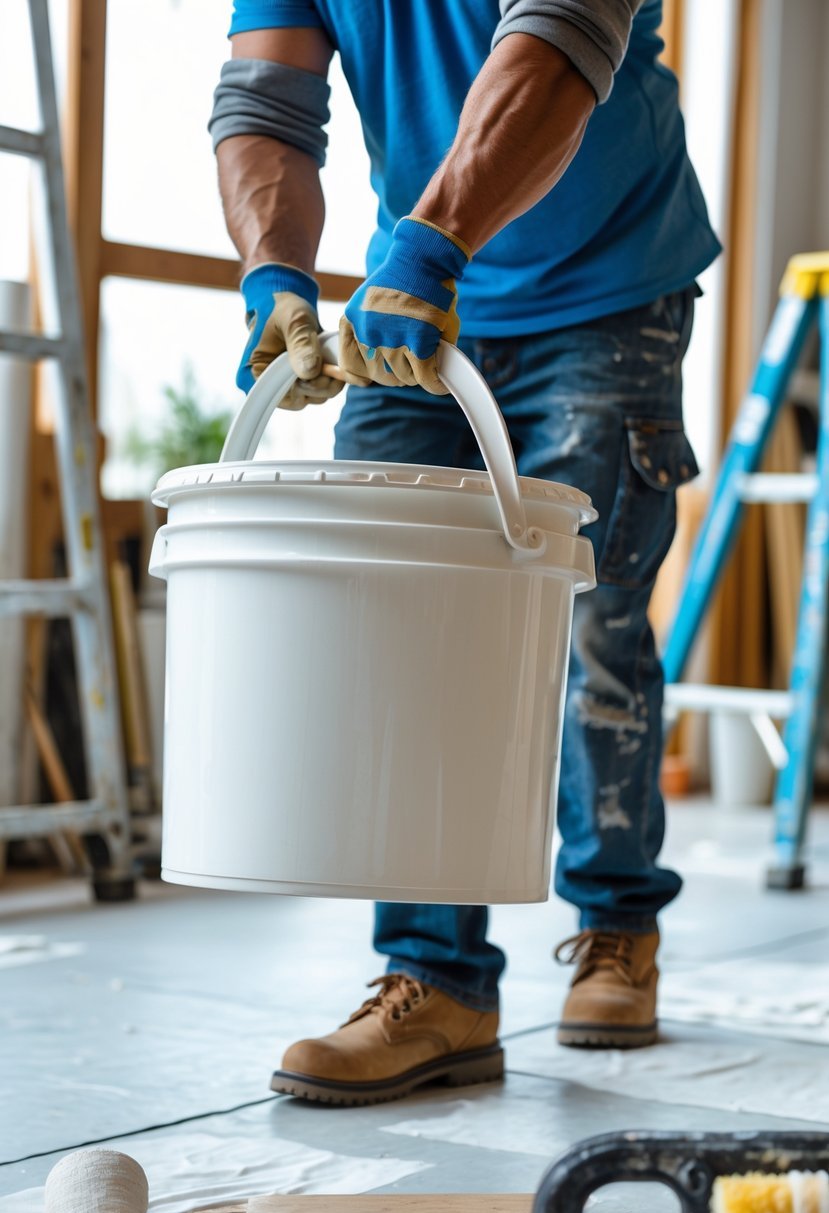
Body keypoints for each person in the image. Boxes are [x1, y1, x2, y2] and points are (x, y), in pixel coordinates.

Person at [210, 0, 721, 1106]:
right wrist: (274, 274)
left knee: (590, 621)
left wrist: (431, 241)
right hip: (417, 285)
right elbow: (267, 104)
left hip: (601, 281)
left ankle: (615, 929)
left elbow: (558, 48)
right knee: (406, 636)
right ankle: (433, 980)